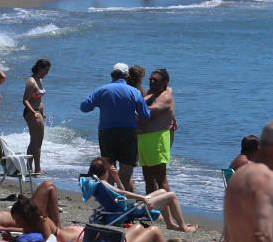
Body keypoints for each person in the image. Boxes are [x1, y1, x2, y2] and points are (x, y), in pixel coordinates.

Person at [80, 64, 150, 192]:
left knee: (109, 170)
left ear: (112, 75)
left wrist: (101, 103)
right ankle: (127, 203)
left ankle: (112, 203)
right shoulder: (134, 92)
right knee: (126, 174)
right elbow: (145, 115)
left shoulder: (102, 90)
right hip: (128, 133)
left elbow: (84, 107)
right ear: (126, 76)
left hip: (107, 133)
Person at [88, 156, 195, 232]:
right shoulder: (103, 183)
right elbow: (123, 192)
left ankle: (171, 224)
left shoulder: (98, 183)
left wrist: (116, 178)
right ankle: (183, 227)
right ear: (105, 171)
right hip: (132, 209)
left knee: (163, 191)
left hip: (126, 206)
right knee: (172, 196)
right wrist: (142, 198)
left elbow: (121, 194)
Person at [137, 69, 179, 213]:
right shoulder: (152, 93)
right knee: (148, 180)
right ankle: (154, 213)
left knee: (162, 181)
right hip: (144, 139)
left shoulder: (165, 96)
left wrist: (130, 107)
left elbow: (147, 113)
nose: (152, 81)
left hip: (157, 140)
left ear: (165, 82)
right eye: (151, 79)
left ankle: (177, 217)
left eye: (156, 80)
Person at [23, 59, 50, 175]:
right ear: (39, 68)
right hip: (32, 114)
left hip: (39, 113)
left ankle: (30, 167)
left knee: (36, 141)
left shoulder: (40, 80)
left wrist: (42, 112)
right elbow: (25, 100)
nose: (47, 73)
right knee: (36, 142)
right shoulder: (31, 81)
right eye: (46, 70)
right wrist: (34, 112)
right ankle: (36, 168)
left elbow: (39, 98)